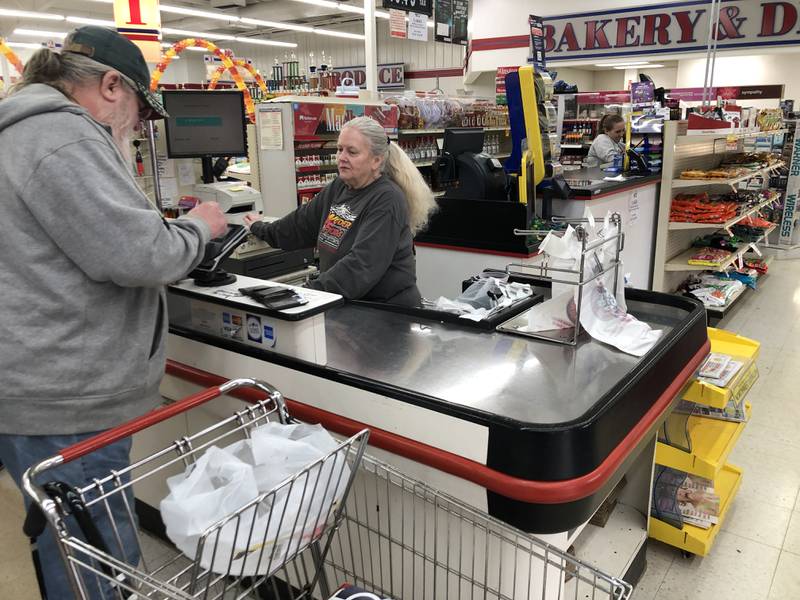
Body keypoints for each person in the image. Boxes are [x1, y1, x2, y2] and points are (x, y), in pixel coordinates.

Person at [0, 26, 227, 599]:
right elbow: (144, 254)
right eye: (138, 112)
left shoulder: (16, 132)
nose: (136, 128)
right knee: (100, 562)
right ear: (110, 86)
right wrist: (203, 225)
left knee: (62, 545)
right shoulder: (62, 136)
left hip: (34, 383)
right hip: (68, 397)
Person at [244, 116, 436, 307]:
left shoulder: (387, 199)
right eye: (339, 149)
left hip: (386, 314)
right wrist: (259, 228)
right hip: (347, 306)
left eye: (352, 152)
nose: (342, 157)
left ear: (376, 160)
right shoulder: (339, 187)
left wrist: (309, 293)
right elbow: (299, 225)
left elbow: (361, 265)